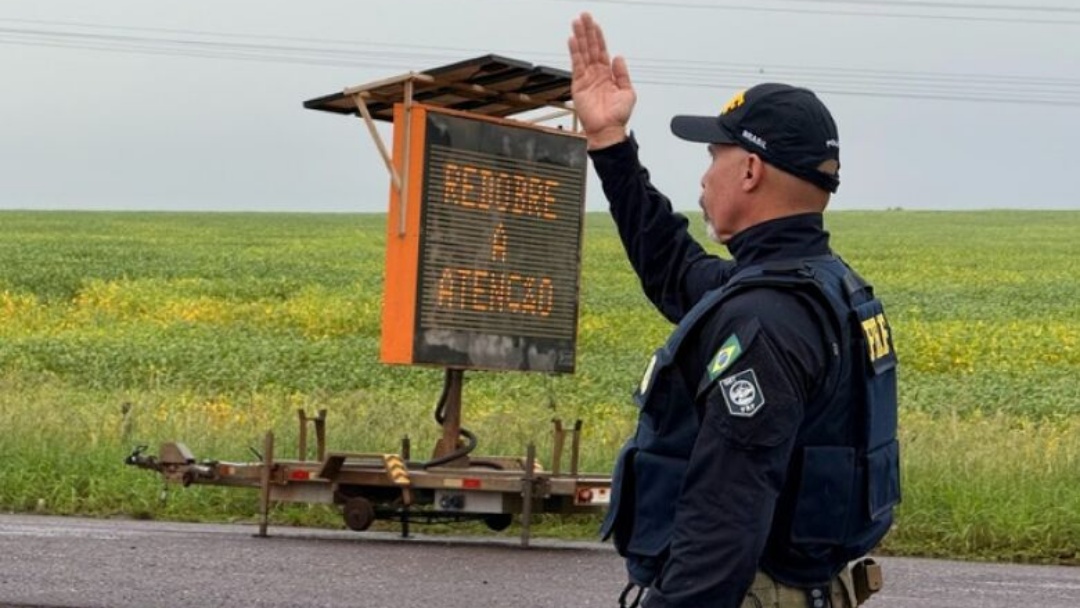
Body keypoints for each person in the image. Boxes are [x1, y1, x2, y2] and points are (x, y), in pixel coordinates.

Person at [568, 13, 900, 608]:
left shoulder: (767, 323)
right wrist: (609, 143)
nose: (703, 178)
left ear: (749, 170)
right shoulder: (818, 287)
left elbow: (724, 518)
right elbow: (674, 270)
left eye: (713, 156)